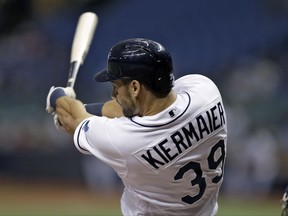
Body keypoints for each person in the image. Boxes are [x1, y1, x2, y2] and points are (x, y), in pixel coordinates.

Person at [46, 38, 228, 216]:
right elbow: (148, 103)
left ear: (134, 87)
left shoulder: (126, 141)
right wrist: (83, 108)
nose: (113, 94)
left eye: (116, 86)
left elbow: (71, 119)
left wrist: (58, 96)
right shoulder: (206, 92)